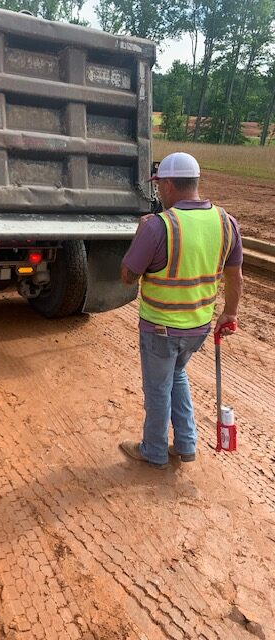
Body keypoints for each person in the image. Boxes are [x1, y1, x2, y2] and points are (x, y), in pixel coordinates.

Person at [119, 152, 243, 469]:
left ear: (169, 185)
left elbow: (128, 276)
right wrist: (230, 313)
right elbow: (235, 276)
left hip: (160, 328)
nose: (158, 191)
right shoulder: (226, 222)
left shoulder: (158, 226)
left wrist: (140, 234)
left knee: (157, 390)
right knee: (176, 375)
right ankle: (186, 444)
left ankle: (154, 450)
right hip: (198, 328)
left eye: (159, 185)